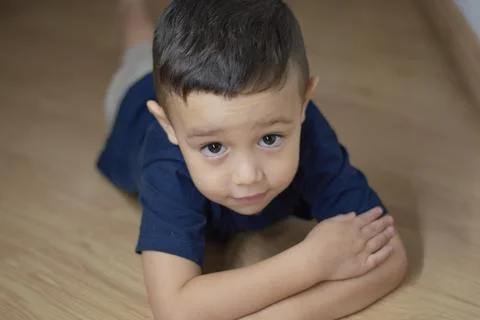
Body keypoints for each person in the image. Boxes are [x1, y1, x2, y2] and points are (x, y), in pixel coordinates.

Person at [97, 0, 408, 319]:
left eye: (269, 139)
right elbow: (175, 309)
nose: (247, 176)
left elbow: (391, 256)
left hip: (186, 97)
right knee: (138, 51)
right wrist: (311, 261)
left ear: (303, 103)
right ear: (170, 128)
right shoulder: (165, 164)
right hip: (132, 103)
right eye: (214, 147)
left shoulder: (307, 129)